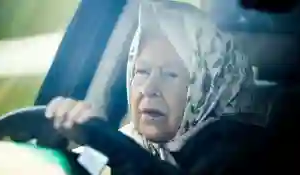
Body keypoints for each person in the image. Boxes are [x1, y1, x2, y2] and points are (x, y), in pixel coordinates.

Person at [45, 0, 255, 173]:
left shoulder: (241, 152)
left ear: (208, 87)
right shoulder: (128, 139)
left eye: (170, 74)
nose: (148, 88)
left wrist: (117, 151)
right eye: (142, 72)